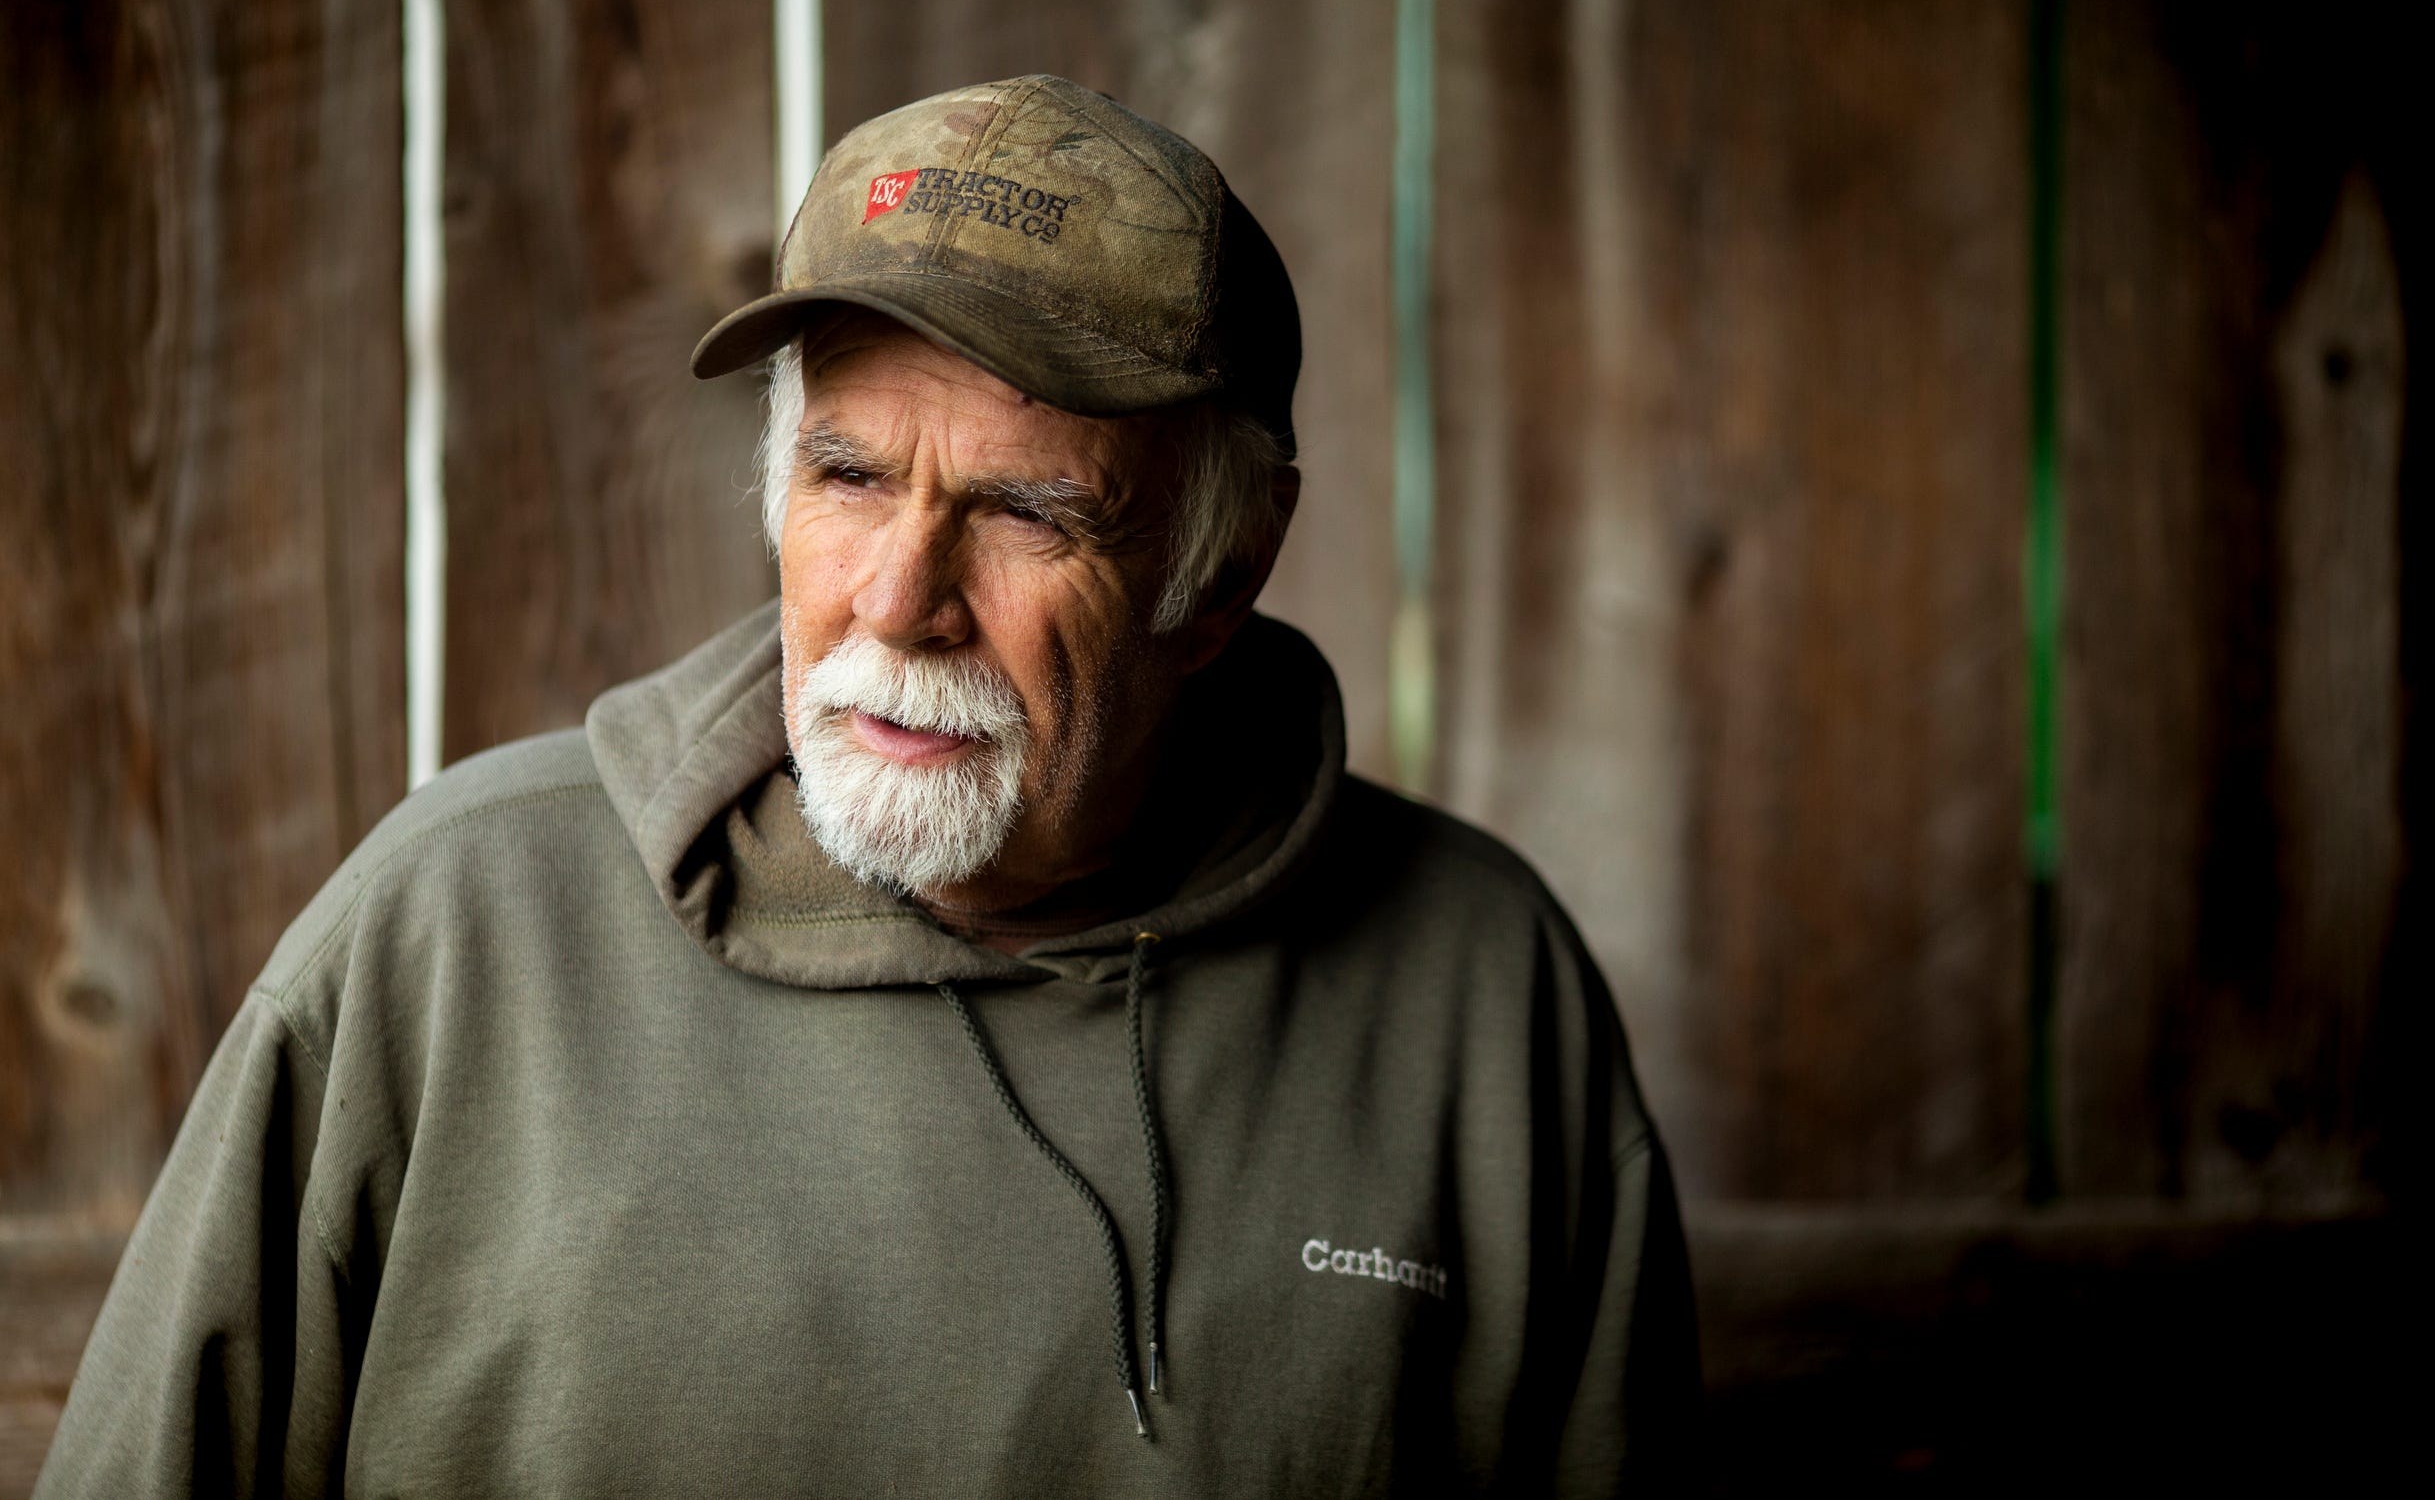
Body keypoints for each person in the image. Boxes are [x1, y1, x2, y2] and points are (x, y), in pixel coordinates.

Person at [38, 75, 1696, 1498]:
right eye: (847, 475)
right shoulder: (450, 936)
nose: (900, 598)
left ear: (1225, 572)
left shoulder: (1485, 996)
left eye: (1031, 510)